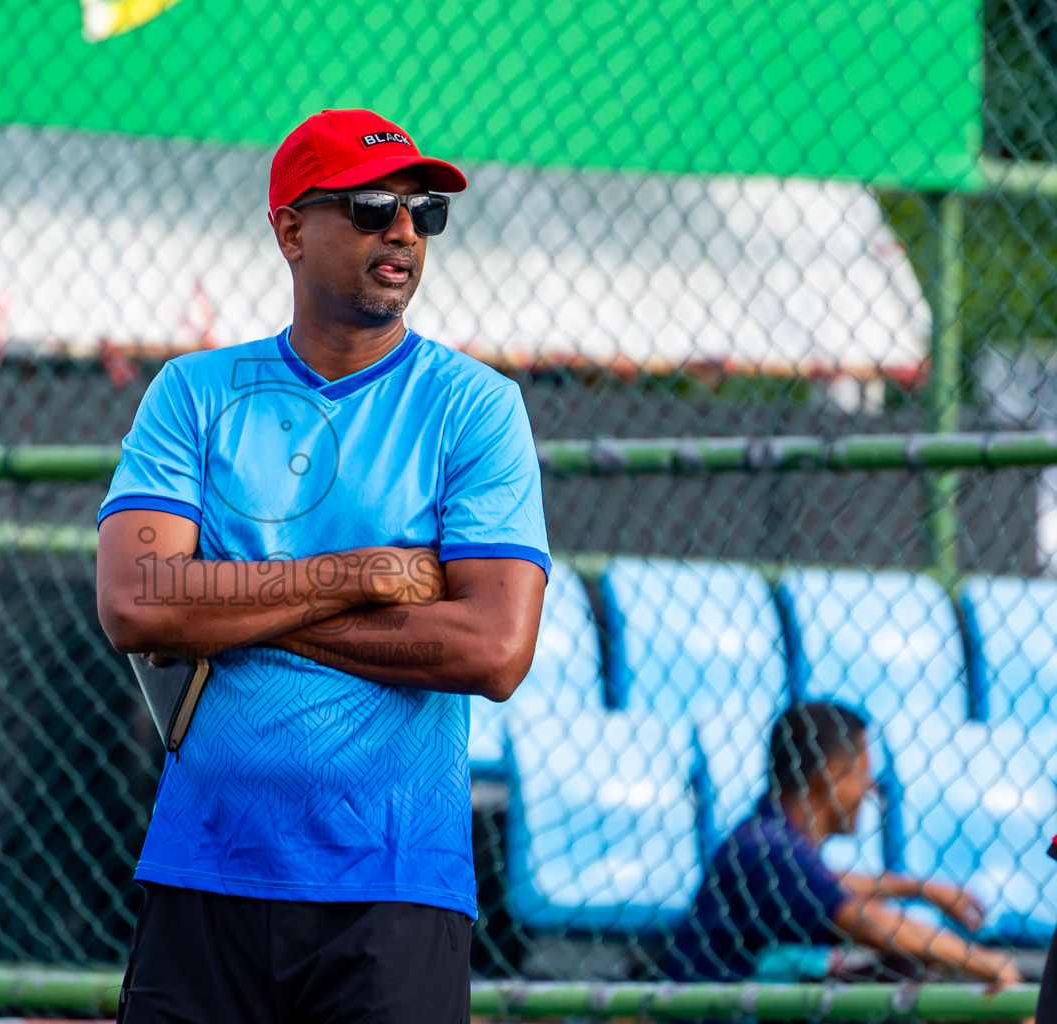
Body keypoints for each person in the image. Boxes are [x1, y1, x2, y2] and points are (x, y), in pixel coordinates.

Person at [94, 108, 551, 1024]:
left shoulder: (475, 406)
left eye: (423, 212)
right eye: (373, 207)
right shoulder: (194, 393)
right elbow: (138, 604)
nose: (404, 232)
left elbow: (494, 650)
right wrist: (361, 575)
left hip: (393, 885)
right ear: (292, 231)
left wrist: (232, 606)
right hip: (204, 869)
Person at [659, 701, 1022, 989]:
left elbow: (825, 883)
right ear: (830, 779)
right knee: (905, 967)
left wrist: (922, 889)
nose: (871, 788)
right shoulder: (768, 850)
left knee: (902, 969)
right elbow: (867, 922)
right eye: (862, 773)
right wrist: (987, 962)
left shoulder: (766, 840)